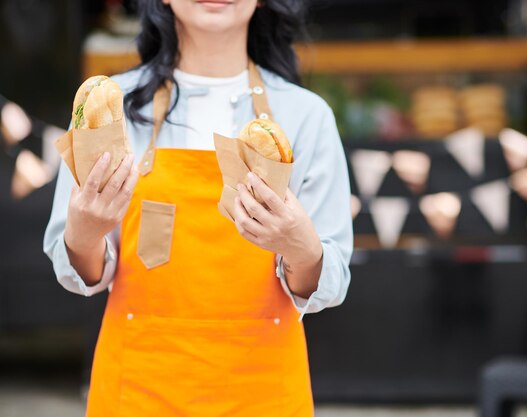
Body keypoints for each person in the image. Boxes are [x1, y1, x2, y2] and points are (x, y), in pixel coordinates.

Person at [43, 0, 353, 415]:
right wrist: (84, 232)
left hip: (261, 392)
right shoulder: (110, 109)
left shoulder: (306, 116)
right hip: (139, 389)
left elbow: (331, 280)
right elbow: (78, 271)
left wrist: (302, 248)